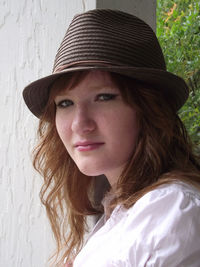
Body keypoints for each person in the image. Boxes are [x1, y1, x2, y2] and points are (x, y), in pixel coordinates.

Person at [23, 9, 200, 267]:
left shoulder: (171, 210)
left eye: (104, 97)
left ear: (149, 109)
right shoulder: (123, 211)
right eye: (65, 103)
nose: (80, 123)